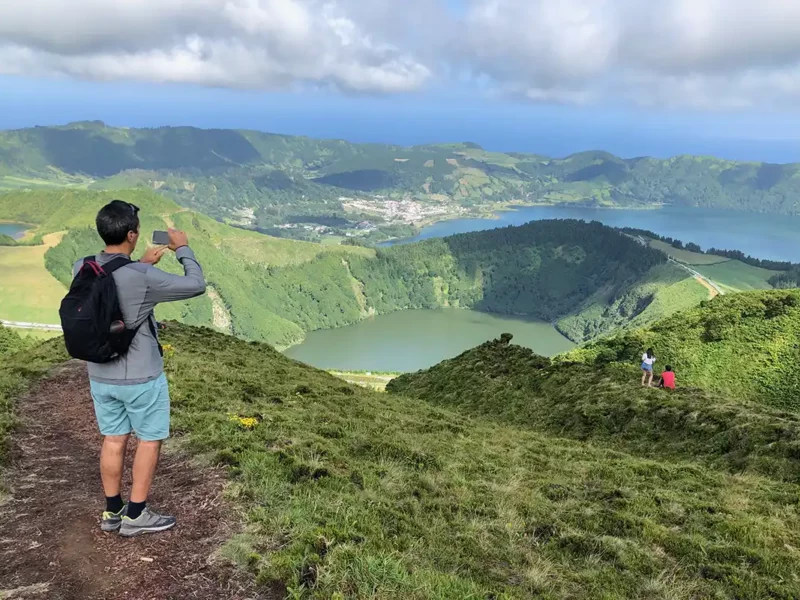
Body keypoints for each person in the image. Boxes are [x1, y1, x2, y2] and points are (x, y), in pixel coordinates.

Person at [73, 200, 206, 537]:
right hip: (142, 377)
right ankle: (136, 515)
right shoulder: (144, 277)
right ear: (132, 235)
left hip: (100, 373)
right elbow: (196, 284)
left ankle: (112, 511)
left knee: (113, 439)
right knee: (148, 440)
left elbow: (114, 284)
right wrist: (183, 248)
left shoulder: (82, 266)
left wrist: (139, 263)